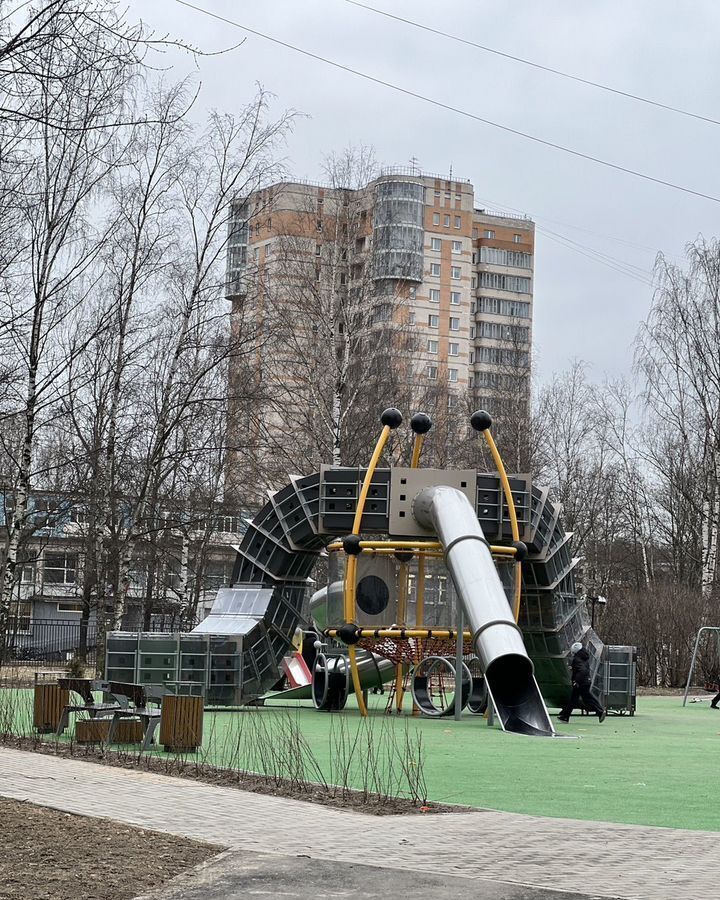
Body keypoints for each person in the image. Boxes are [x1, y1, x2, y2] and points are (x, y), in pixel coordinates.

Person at [558, 641, 606, 723]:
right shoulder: (584, 658)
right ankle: (565, 716)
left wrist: (576, 681)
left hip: (581, 682)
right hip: (585, 680)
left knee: (586, 698)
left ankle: (600, 711)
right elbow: (583, 669)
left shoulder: (577, 659)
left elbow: (581, 671)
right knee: (575, 699)